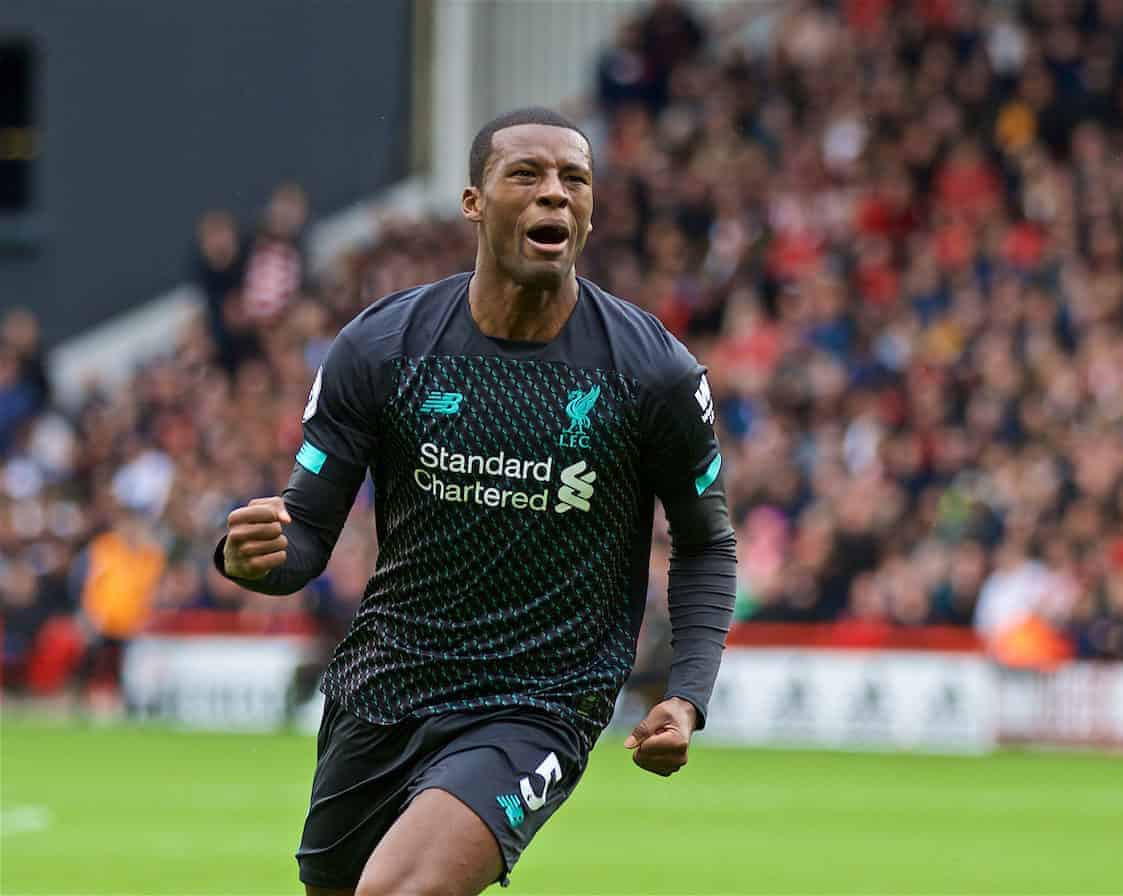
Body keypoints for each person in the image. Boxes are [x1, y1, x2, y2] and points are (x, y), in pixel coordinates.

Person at [214, 107, 737, 896]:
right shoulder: (383, 347)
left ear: (590, 212)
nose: (554, 195)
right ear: (474, 203)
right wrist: (253, 558)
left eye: (575, 180)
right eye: (526, 175)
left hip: (541, 698)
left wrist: (688, 696)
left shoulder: (651, 373)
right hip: (385, 685)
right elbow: (305, 535)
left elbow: (704, 542)